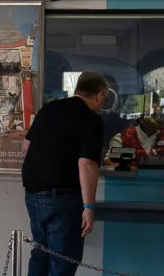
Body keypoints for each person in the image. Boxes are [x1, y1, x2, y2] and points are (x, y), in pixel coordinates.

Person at [21, 71, 107, 276]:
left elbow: (25, 147)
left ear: (77, 90)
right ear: (100, 95)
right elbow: (86, 164)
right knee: (63, 262)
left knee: (40, 254)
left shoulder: (48, 110)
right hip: (63, 199)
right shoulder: (92, 120)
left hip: (33, 195)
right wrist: (88, 207)